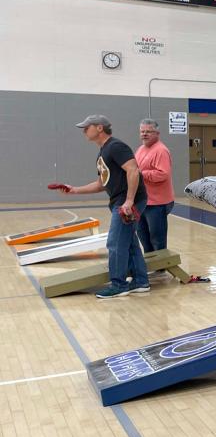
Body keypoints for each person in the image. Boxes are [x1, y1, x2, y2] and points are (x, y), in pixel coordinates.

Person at [58, 115, 149, 299]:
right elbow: (102, 183)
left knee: (115, 243)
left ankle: (118, 285)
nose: (84, 130)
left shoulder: (116, 147)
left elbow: (133, 170)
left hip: (127, 201)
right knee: (129, 242)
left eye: (87, 127)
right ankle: (141, 281)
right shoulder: (103, 152)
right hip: (120, 201)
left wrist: (129, 201)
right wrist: (74, 190)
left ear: (100, 128)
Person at [134, 118, 175, 254]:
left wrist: (141, 173)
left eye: (148, 131)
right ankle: (151, 265)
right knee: (143, 236)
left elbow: (163, 174)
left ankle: (161, 268)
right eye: (142, 131)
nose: (144, 134)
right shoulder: (141, 149)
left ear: (157, 133)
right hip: (142, 201)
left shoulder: (161, 150)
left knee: (157, 239)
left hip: (157, 203)